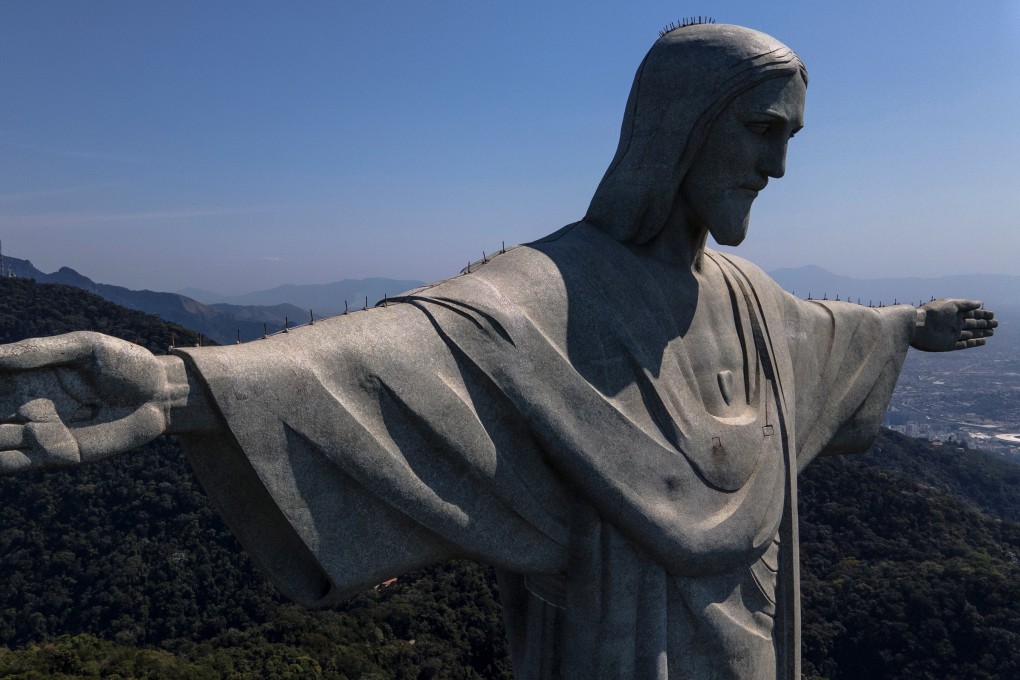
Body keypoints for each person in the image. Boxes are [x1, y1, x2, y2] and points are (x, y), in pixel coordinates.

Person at [0, 23, 997, 680]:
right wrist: (180, 388)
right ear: (680, 128)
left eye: (793, 139)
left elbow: (825, 332)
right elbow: (393, 354)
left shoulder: (746, 296)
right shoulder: (547, 287)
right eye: (762, 129)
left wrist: (907, 321)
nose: (780, 164)